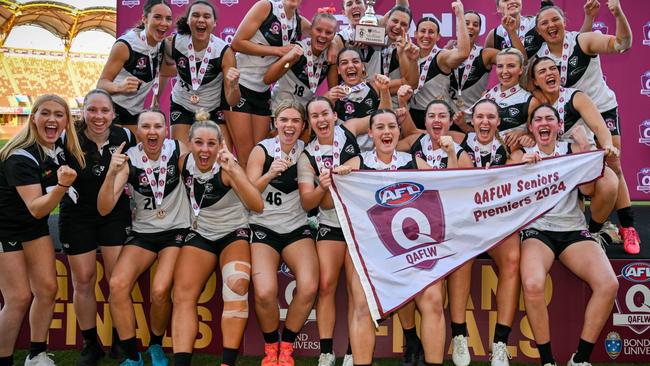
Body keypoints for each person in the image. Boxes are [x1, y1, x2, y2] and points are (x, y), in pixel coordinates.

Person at [334, 109, 442, 366]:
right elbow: (329, 199)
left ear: (398, 131)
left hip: (415, 248)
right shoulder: (357, 163)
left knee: (434, 300)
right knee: (362, 305)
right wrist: (332, 179)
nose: (386, 132)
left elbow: (449, 187)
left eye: (391, 126)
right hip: (372, 251)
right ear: (370, 133)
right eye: (379, 127)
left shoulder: (416, 163)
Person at [516, 104, 619, 366]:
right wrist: (523, 170)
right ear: (531, 127)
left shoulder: (570, 150)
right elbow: (509, 194)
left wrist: (583, 151)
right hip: (538, 231)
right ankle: (547, 360)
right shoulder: (522, 154)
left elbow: (586, 191)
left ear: (558, 126)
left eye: (550, 118)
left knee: (609, 284)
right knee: (533, 284)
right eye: (538, 119)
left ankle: (580, 359)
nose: (544, 123)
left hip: (572, 229)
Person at [534, 2, 640, 254]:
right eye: (544, 23)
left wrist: (617, 13)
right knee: (576, 169)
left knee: (613, 163)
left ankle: (627, 226)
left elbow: (623, 43)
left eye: (555, 20)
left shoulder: (583, 41)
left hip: (601, 109)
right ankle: (583, 224)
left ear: (564, 22)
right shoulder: (540, 57)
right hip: (569, 114)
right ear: (538, 30)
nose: (551, 25)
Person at [98, 110, 190, 366]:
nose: (152, 132)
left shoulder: (177, 148)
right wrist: (110, 173)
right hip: (144, 234)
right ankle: (132, 355)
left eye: (158, 126)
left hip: (176, 231)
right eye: (146, 127)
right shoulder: (129, 159)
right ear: (138, 131)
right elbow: (104, 208)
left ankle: (156, 346)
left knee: (160, 290)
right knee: (117, 285)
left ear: (166, 130)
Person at [171, 111, 262, 366]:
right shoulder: (183, 163)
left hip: (233, 232)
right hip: (201, 232)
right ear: (189, 143)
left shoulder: (227, 166)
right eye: (199, 142)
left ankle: (227, 362)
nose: (205, 149)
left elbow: (257, 204)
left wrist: (234, 170)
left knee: (237, 284)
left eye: (212, 143)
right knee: (182, 293)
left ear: (220, 145)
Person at [0, 94, 84, 366]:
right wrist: (61, 187)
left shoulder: (56, 146)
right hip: (6, 229)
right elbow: (37, 208)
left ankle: (36, 355)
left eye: (59, 114)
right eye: (45, 113)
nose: (52, 119)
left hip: (32, 228)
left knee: (47, 289)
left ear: (66, 121)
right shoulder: (20, 157)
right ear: (33, 117)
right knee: (18, 297)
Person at [297, 95, 379, 366]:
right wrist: (324, 186)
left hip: (357, 226)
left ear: (335, 115)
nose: (321, 119)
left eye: (325, 113)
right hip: (330, 224)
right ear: (309, 122)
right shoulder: (307, 156)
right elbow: (309, 202)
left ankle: (355, 350)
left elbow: (383, 120)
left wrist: (391, 95)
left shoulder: (350, 130)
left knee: (359, 291)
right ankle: (326, 351)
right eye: (315, 116)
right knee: (325, 286)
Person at [58, 89, 136, 366]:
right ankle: (90, 343)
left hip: (114, 214)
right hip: (77, 216)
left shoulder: (124, 137)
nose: (98, 116)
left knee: (118, 281)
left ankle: (120, 338)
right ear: (83, 112)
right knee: (83, 280)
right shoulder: (68, 137)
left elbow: (135, 174)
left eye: (105, 111)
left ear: (114, 114)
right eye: (92, 110)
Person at [396, 99, 474, 366]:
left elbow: (461, 188)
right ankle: (412, 339)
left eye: (442, 116)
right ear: (425, 122)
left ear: (451, 121)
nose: (437, 120)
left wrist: (450, 154)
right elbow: (386, 155)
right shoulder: (412, 145)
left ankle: (458, 335)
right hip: (414, 229)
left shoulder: (461, 151)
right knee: (402, 278)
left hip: (449, 227)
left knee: (436, 293)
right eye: (431, 116)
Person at [247, 102, 319, 366]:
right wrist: (270, 173)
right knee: (265, 292)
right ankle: (270, 347)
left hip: (296, 227)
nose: (289, 126)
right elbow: (248, 192)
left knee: (310, 286)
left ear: (302, 126)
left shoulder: (307, 153)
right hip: (264, 226)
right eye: (284, 120)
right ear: (275, 122)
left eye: (295, 121)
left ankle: (286, 345)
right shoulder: (261, 150)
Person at [457, 99, 522, 366]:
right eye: (480, 117)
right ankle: (459, 335)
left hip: (498, 222)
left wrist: (523, 157)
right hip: (467, 222)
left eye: (491, 117)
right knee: (460, 258)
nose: (485, 122)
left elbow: (520, 175)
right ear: (472, 121)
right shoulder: (459, 144)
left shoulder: (510, 146)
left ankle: (500, 343)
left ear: (498, 121)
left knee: (512, 261)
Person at [229, 0, 310, 169]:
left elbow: (321, 31)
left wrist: (333, 45)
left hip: (263, 90)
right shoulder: (266, 6)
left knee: (260, 155)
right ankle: (248, 196)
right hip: (241, 85)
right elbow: (237, 43)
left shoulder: (299, 21)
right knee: (245, 157)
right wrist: (277, 51)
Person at [164, 0, 241, 148]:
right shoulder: (174, 43)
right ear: (188, 21)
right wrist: (155, 98)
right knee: (181, 158)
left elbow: (232, 101)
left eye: (206, 16)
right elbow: (162, 70)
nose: (201, 20)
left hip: (212, 108)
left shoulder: (224, 52)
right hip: (182, 105)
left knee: (222, 159)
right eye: (195, 15)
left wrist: (234, 85)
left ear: (214, 23)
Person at [98, 0, 173, 133]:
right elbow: (101, 84)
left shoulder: (162, 44)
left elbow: (165, 73)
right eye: (157, 17)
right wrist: (119, 86)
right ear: (144, 19)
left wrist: (156, 98)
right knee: (116, 148)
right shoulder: (126, 45)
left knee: (136, 151)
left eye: (168, 19)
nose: (164, 23)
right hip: (112, 108)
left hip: (135, 112)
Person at [447, 11, 526, 132]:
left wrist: (511, 32)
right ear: (458, 25)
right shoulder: (445, 53)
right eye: (466, 23)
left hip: (473, 122)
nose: (470, 27)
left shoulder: (485, 54)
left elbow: (521, 59)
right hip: (447, 120)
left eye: (475, 24)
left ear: (479, 30)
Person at [408, 2, 470, 129]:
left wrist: (460, 15)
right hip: (413, 116)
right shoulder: (409, 54)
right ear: (415, 34)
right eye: (422, 31)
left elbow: (463, 53)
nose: (426, 35)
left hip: (437, 118)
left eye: (431, 32)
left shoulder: (441, 57)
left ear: (438, 37)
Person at [264, 12, 339, 113]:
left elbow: (333, 92)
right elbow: (268, 79)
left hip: (305, 113)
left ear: (334, 35)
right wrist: (287, 62)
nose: (323, 35)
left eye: (329, 32)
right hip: (280, 109)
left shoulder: (330, 57)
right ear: (310, 30)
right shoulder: (297, 49)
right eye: (318, 30)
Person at [326, 49, 398, 151]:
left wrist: (384, 90)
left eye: (355, 61)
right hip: (345, 152)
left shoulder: (375, 86)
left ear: (363, 66)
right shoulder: (332, 94)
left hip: (374, 152)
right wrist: (329, 101)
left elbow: (386, 117)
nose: (350, 65)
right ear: (338, 69)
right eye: (344, 63)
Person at [484, 0, 597, 58]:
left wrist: (589, 17)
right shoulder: (494, 35)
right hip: (514, 91)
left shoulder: (538, 23)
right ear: (498, 8)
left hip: (540, 86)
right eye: (505, 0)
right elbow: (485, 65)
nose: (512, 1)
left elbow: (575, 43)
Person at [472, 48, 532, 151]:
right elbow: (475, 132)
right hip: (484, 156)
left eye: (511, 66)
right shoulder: (486, 95)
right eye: (500, 66)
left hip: (511, 159)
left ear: (521, 69)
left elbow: (536, 134)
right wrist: (461, 124)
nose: (504, 71)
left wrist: (525, 134)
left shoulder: (529, 101)